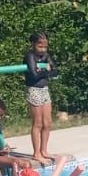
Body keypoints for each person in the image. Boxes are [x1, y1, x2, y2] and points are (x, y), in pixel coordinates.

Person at [23, 31, 56, 163]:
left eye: (45, 47)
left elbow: (55, 71)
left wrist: (44, 71)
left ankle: (44, 150)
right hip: (34, 89)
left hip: (44, 89)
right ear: (33, 44)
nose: (43, 49)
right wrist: (46, 71)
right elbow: (33, 75)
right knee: (38, 123)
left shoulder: (46, 55)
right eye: (40, 46)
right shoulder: (30, 56)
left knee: (47, 122)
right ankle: (36, 153)